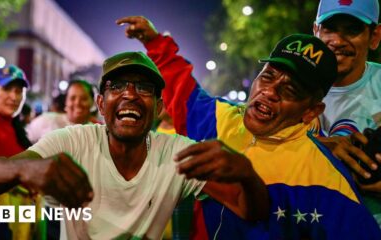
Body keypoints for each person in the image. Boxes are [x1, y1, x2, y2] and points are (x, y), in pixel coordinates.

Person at [117, 16, 381, 239]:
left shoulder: (328, 182)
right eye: (267, 76)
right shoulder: (220, 117)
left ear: (311, 111)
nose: (269, 91)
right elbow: (181, 86)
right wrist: (153, 41)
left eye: (289, 89)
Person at [0, 51, 269, 240]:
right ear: (101, 104)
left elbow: (249, 210)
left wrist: (247, 174)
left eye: (143, 87)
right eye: (117, 86)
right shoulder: (73, 140)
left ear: (158, 108)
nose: (130, 94)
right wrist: (26, 169)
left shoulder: (177, 154)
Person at [313, 0, 381, 225]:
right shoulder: (288, 86)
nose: (337, 41)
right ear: (316, 31)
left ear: (374, 37)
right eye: (330, 28)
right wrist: (321, 146)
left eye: (352, 30)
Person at [0, 65, 42, 239]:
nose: (14, 96)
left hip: (15, 216)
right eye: (7, 89)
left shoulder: (14, 126)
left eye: (19, 91)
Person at [26, 79, 96, 143]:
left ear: (93, 103)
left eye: (83, 99)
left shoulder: (96, 133)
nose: (77, 103)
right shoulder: (47, 121)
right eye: (72, 98)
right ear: (66, 101)